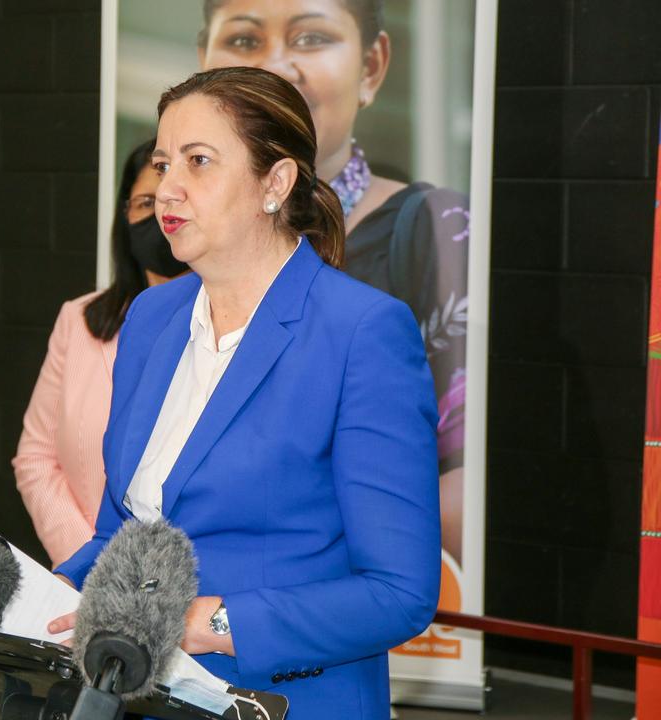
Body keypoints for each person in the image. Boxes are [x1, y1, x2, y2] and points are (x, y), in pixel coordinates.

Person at [48, 67, 441, 719]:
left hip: (287, 700)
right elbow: (127, 531)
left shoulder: (361, 332)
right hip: (139, 695)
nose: (167, 188)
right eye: (165, 161)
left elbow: (398, 592)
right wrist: (44, 592)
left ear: (276, 183)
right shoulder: (151, 319)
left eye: (198, 162)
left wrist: (220, 623)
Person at [198, 0, 468, 564]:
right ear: (203, 59)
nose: (275, 67)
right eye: (245, 41)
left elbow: (468, 483)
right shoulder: (181, 231)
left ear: (371, 67)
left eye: (311, 39)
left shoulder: (436, 232)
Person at [14, 138, 188, 568]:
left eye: (172, 201)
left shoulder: (227, 328)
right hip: (89, 586)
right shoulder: (80, 320)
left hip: (197, 599)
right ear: (124, 216)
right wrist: (90, 561)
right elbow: (35, 457)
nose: (160, 216)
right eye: (145, 202)